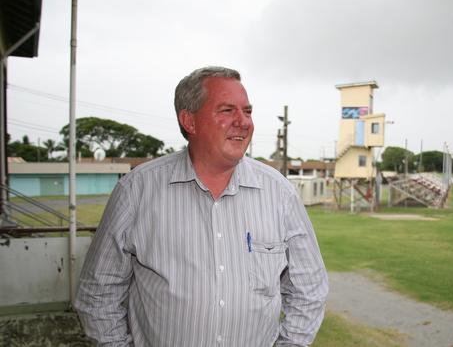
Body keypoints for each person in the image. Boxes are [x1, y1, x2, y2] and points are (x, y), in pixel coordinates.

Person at [75, 66, 328, 346]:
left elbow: (309, 289)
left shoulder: (279, 193)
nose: (243, 122)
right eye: (227, 110)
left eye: (247, 111)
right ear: (189, 121)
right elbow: (98, 293)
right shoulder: (137, 191)